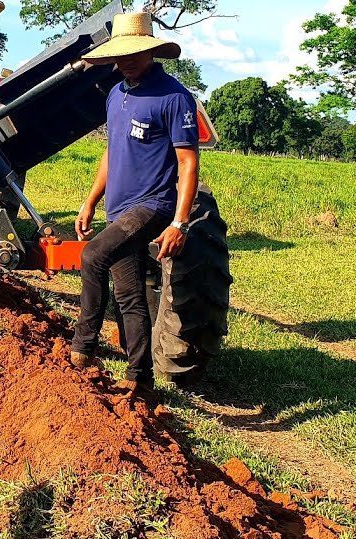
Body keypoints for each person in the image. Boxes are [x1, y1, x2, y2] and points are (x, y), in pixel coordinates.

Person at [71, 11, 201, 394]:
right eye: (120, 54)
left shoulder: (174, 97)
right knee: (129, 295)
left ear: (150, 51)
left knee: (93, 256)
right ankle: (140, 379)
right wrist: (90, 201)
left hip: (153, 205)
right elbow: (111, 153)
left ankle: (83, 347)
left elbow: (188, 162)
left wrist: (179, 223)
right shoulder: (117, 93)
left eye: (134, 53)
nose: (126, 60)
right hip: (118, 208)